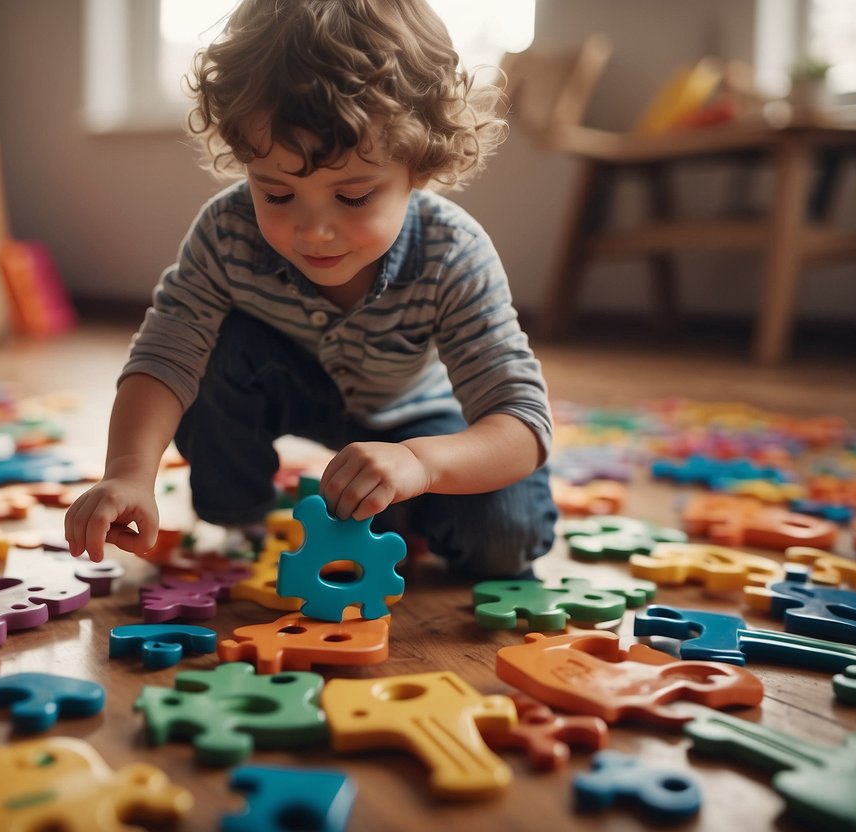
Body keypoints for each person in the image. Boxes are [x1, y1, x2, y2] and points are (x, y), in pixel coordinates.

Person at [65, 0, 557, 578]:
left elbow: (520, 419)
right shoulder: (227, 231)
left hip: (414, 418)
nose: (314, 230)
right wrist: (128, 471)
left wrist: (420, 464)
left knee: (505, 541)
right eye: (276, 193)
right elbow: (164, 356)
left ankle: (391, 507)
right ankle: (238, 511)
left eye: (352, 197)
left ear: (419, 167)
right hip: (282, 385)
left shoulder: (453, 252)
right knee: (214, 350)